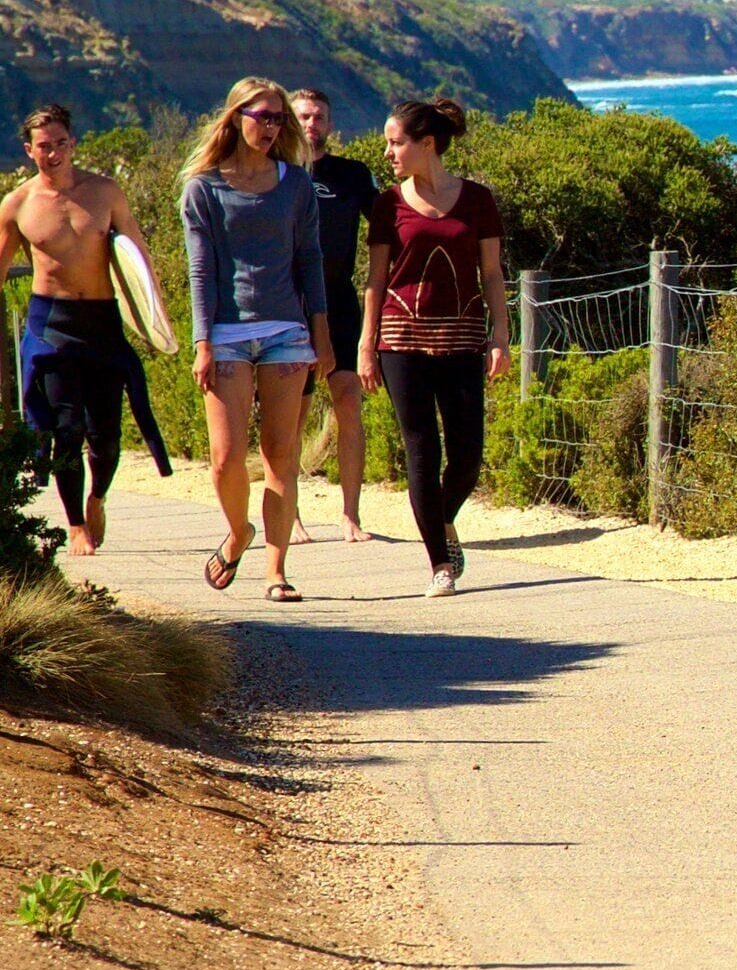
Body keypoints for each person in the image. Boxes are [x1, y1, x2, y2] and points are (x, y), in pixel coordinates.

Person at [0, 104, 172, 555]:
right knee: (66, 427)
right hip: (51, 324)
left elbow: (139, 258)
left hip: (101, 323)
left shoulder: (105, 193)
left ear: (73, 144)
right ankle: (75, 523)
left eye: (62, 143)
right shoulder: (18, 204)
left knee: (106, 435)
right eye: (45, 146)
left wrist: (158, 321)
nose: (55, 152)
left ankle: (97, 495)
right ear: (29, 151)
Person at [179, 77, 333, 600]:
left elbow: (310, 260)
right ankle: (239, 531)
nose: (270, 127)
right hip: (225, 334)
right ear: (235, 116)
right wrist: (202, 342)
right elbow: (199, 271)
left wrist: (321, 336)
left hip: (286, 332)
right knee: (225, 457)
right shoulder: (203, 188)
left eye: (277, 119)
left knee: (280, 454)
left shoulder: (296, 184)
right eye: (261, 116)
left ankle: (276, 569)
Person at [361, 97, 511, 597]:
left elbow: (492, 275)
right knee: (422, 451)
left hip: (464, 339)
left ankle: (441, 522)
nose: (388, 152)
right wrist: (366, 346)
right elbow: (375, 282)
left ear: (427, 144)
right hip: (400, 343)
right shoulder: (388, 205)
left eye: (396, 142)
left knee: (468, 455)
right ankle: (439, 566)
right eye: (388, 143)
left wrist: (501, 336)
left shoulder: (477, 200)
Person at [289, 87, 378, 544]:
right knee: (293, 413)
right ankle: (292, 514)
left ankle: (350, 515)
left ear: (329, 122)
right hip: (290, 304)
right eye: (303, 115)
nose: (311, 123)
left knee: (348, 401)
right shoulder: (277, 174)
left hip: (340, 300)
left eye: (319, 116)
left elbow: (388, 225)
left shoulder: (352, 175)